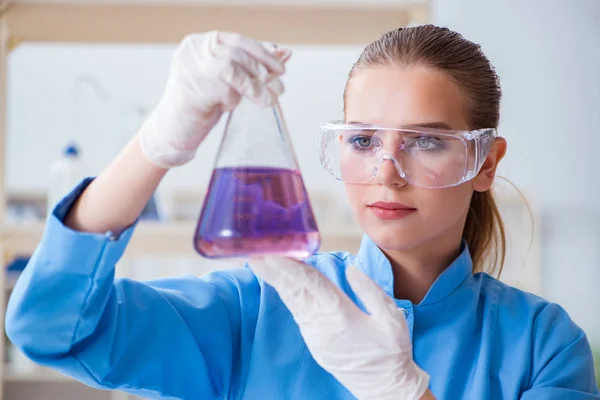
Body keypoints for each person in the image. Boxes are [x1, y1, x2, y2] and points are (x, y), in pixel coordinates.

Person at [5, 25, 599, 400]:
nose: (386, 171)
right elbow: (51, 327)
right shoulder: (256, 310)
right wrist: (158, 144)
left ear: (486, 163)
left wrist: (403, 394)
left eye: (426, 141)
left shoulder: (542, 345)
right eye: (363, 141)